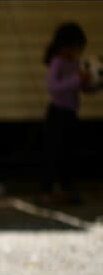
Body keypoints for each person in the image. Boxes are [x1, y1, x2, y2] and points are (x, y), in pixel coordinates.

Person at [42, 22, 99, 205]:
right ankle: (48, 189)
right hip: (57, 113)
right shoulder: (57, 62)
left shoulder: (75, 64)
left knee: (70, 153)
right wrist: (77, 79)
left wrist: (93, 83)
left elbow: (82, 88)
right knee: (54, 153)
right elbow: (53, 87)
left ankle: (68, 189)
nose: (75, 51)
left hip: (71, 113)